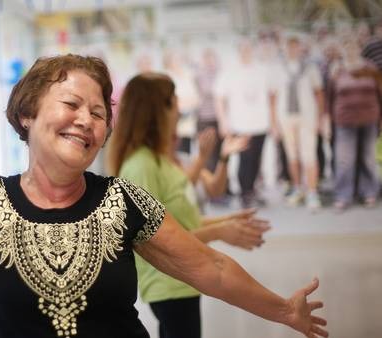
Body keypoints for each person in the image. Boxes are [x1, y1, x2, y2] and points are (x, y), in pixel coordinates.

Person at [0, 2, 328, 338]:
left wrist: (282, 311)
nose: (87, 121)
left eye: (99, 113)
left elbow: (210, 269)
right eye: (72, 104)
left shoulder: (122, 201)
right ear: (28, 113)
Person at [107, 72, 271, 338]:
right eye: (173, 102)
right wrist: (220, 231)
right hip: (168, 284)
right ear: (157, 111)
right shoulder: (140, 166)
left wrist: (227, 223)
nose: (178, 109)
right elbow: (160, 241)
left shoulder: (159, 161)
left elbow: (180, 222)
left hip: (184, 280)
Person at [214, 39, 277, 208]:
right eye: (243, 49)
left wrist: (273, 120)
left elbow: (272, 96)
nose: (246, 52)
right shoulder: (230, 71)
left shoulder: (262, 70)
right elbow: (220, 98)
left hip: (260, 124)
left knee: (257, 159)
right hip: (240, 124)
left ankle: (252, 190)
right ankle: (245, 193)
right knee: (245, 160)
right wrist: (223, 121)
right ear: (239, 51)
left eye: (249, 49)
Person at [272, 36, 325, 210]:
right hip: (286, 117)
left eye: (295, 45)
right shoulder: (278, 68)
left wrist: (320, 119)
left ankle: (312, 192)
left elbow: (319, 94)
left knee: (309, 155)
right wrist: (274, 123)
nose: (292, 49)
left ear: (300, 47)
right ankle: (298, 188)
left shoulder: (309, 67)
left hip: (307, 116)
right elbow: (273, 97)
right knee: (292, 155)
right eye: (289, 45)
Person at [328, 40, 381, 210]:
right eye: (347, 47)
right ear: (343, 50)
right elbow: (330, 96)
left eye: (353, 47)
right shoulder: (337, 70)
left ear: (359, 49)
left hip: (369, 119)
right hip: (344, 121)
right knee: (344, 161)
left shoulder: (371, 68)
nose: (350, 50)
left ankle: (370, 193)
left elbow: (379, 92)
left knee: (368, 158)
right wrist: (328, 120)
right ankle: (343, 196)